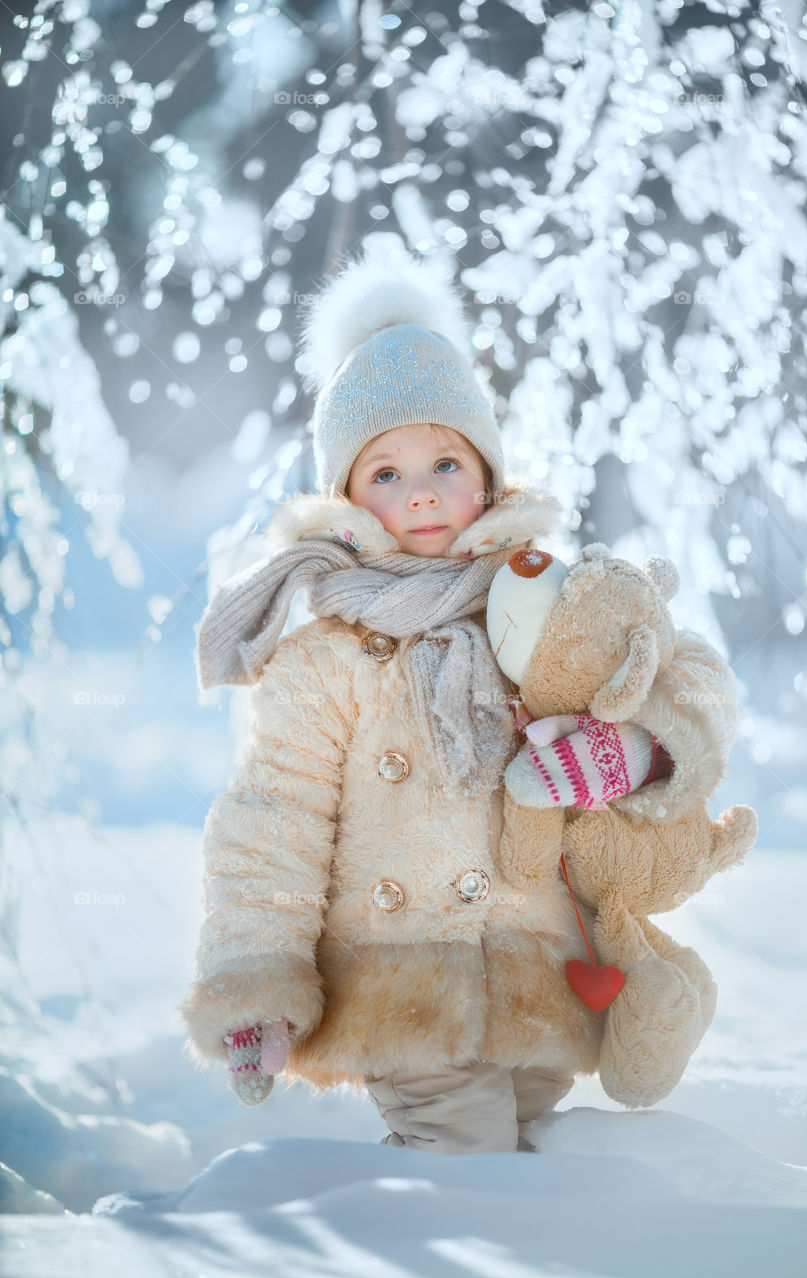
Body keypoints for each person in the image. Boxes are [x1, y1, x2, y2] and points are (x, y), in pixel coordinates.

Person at [179, 239, 724, 1156]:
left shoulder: (542, 600)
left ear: (488, 477)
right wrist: (257, 977)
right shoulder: (328, 658)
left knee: (540, 1172)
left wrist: (635, 746)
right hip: (401, 986)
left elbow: (684, 670)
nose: (422, 496)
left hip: (544, 971)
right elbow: (275, 821)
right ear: (347, 497)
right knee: (458, 1164)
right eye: (385, 473)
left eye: (445, 465)